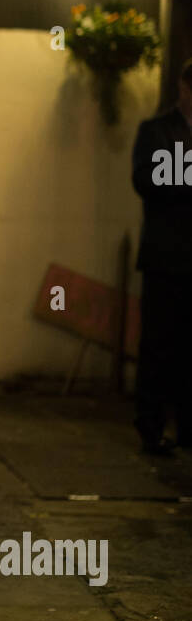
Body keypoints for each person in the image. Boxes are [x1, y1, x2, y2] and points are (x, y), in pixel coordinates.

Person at [131, 58, 192, 454]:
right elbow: (149, 180)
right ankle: (151, 428)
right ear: (184, 87)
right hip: (167, 257)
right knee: (158, 345)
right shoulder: (156, 131)